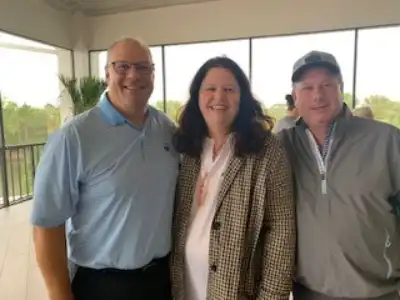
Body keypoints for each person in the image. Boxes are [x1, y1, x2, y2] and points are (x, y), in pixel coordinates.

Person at [31, 38, 179, 300]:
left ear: (153, 75)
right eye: (123, 66)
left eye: (143, 67)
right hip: (101, 286)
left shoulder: (166, 129)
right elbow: (47, 224)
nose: (133, 75)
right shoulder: (73, 137)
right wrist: (59, 294)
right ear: (107, 74)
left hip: (160, 282)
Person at [170, 56, 296, 300]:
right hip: (183, 287)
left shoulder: (266, 150)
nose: (219, 97)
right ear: (197, 96)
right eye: (210, 89)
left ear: (243, 98)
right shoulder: (186, 149)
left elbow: (281, 231)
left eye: (229, 89)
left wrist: (272, 297)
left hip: (238, 292)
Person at [278, 50, 400, 300]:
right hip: (307, 292)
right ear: (295, 96)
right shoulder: (281, 147)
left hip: (379, 292)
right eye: (308, 87)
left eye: (327, 85)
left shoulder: (387, 140)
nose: (318, 95)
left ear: (341, 88)